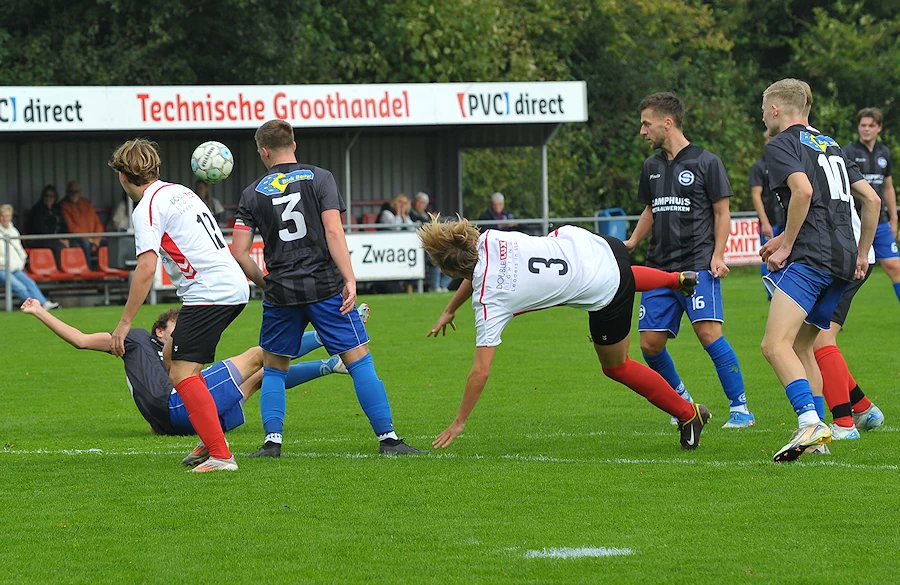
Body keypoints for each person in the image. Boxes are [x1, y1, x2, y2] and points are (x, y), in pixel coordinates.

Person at [419, 216, 709, 450]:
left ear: (450, 271)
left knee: (617, 366)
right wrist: (450, 308)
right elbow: (479, 268)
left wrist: (458, 422)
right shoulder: (489, 238)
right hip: (593, 244)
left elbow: (480, 372)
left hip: (606, 288)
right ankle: (676, 279)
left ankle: (687, 414)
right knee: (611, 269)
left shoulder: (489, 302)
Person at [231, 118, 424, 457]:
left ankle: (272, 443)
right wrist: (349, 278)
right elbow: (334, 232)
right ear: (294, 144)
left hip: (282, 292)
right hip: (324, 285)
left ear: (264, 151)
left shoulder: (252, 193)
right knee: (359, 361)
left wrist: (265, 282)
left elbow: (239, 252)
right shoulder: (320, 177)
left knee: (274, 368)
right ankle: (388, 440)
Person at [20, 300, 353, 462]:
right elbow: (79, 339)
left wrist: (156, 424)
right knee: (257, 354)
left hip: (179, 417)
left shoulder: (161, 356)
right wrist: (39, 311)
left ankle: (329, 364)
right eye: (181, 329)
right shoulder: (134, 339)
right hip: (179, 405)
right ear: (161, 330)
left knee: (263, 374)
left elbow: (150, 393)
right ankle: (326, 335)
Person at [108, 138, 250, 473]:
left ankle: (220, 455)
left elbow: (146, 268)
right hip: (230, 284)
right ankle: (209, 432)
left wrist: (125, 322)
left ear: (122, 177)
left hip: (209, 291)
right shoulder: (180, 191)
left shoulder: (146, 208)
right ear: (156, 169)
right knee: (175, 357)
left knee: (182, 371)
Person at [757, 78, 880, 462]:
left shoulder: (781, 145)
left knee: (773, 345)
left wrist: (789, 244)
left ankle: (809, 421)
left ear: (776, 109)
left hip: (813, 258)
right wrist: (861, 254)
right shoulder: (832, 145)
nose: (762, 116)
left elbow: (804, 191)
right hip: (844, 261)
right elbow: (872, 200)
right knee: (802, 345)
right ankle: (819, 432)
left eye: (764, 109)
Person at [623, 92, 753, 428]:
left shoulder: (706, 162)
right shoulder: (651, 167)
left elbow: (722, 212)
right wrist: (633, 242)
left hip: (696, 266)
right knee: (650, 344)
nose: (642, 131)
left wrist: (718, 255)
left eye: (646, 124)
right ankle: (683, 402)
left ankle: (740, 409)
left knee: (709, 335)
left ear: (667, 123)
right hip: (657, 269)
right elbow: (651, 210)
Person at [843, 107, 899, 302]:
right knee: (849, 272)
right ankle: (832, 319)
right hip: (855, 222)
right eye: (862, 125)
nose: (866, 129)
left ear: (879, 128)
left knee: (895, 267)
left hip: (881, 221)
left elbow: (888, 187)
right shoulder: (847, 152)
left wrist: (894, 218)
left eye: (870, 125)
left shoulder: (885, 153)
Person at [749, 132, 786, 299]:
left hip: (787, 220)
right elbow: (756, 195)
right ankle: (771, 291)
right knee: (767, 254)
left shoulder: (788, 162)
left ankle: (785, 290)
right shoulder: (759, 165)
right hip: (770, 220)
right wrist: (764, 222)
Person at [0, 204, 59, 309]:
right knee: (20, 287)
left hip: (15, 267)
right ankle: (36, 307)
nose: (5, 218)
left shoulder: (14, 231)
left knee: (30, 283)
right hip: (2, 268)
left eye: (8, 216)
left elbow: (19, 249)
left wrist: (21, 260)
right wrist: (5, 263)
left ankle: (44, 303)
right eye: (3, 216)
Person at [410, 192, 451, 292]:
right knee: (434, 259)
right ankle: (435, 287)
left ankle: (442, 286)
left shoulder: (426, 215)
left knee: (451, 257)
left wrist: (434, 220)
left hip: (429, 245)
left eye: (424, 203)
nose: (421, 205)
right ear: (415, 202)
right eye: (420, 202)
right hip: (418, 247)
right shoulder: (411, 214)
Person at [60, 180, 105, 269]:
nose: (74, 194)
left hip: (92, 239)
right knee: (85, 244)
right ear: (67, 192)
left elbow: (98, 224)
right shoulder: (64, 205)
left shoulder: (86, 203)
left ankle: (108, 273)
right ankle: (88, 271)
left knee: (109, 243)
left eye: (76, 191)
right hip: (77, 238)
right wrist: (89, 239)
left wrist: (96, 240)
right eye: (71, 191)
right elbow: (71, 227)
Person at [26, 185, 71, 266]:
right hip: (39, 239)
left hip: (56, 239)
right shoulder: (37, 210)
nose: (49, 198)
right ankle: (58, 271)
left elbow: (64, 225)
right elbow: (40, 229)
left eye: (51, 196)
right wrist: (58, 239)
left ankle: (71, 271)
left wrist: (65, 238)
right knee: (59, 247)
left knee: (75, 244)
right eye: (46, 196)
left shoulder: (57, 208)